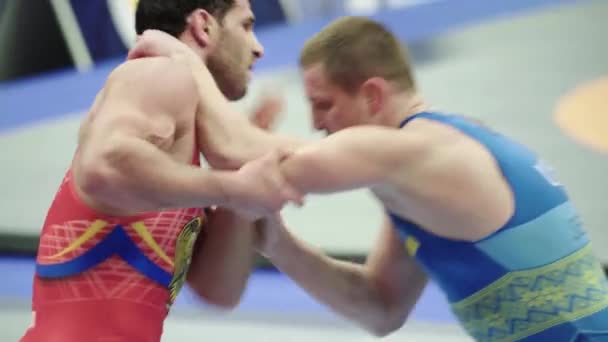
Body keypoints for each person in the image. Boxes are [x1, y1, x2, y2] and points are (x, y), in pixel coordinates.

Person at [131, 16, 608, 341]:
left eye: (324, 105)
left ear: (373, 96)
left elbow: (239, 151)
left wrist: (183, 58)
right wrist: (279, 245)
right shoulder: (423, 174)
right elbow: (382, 308)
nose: (317, 124)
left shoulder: (414, 150)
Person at [20, 1, 303, 342]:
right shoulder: (160, 74)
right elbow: (103, 163)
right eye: (245, 26)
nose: (258, 47)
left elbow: (219, 290)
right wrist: (232, 186)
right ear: (204, 26)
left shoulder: (181, 153)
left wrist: (240, 173)